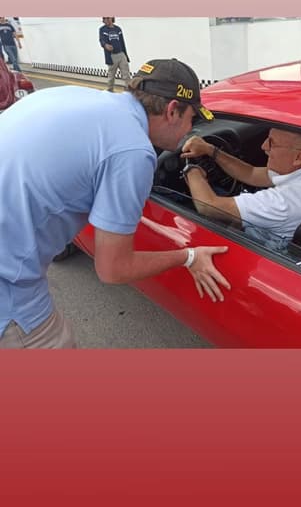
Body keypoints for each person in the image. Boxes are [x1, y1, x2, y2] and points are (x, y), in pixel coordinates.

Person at [0, 58, 230, 349]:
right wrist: (189, 257)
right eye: (191, 119)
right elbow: (113, 269)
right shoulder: (133, 150)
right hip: (9, 296)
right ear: (173, 110)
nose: (190, 130)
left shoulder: (69, 96)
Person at [181, 129, 301, 250]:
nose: (264, 146)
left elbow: (208, 206)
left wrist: (191, 169)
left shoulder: (282, 203)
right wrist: (211, 150)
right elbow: (251, 173)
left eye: (272, 143)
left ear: (299, 157)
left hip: (258, 247)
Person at [99, 17, 131, 91]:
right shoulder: (102, 29)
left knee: (126, 75)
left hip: (121, 54)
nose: (106, 20)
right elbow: (101, 40)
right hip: (111, 56)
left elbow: (122, 42)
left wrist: (125, 55)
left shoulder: (118, 29)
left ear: (112, 18)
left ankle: (129, 91)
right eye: (104, 18)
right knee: (111, 76)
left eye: (108, 18)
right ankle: (110, 91)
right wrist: (105, 45)